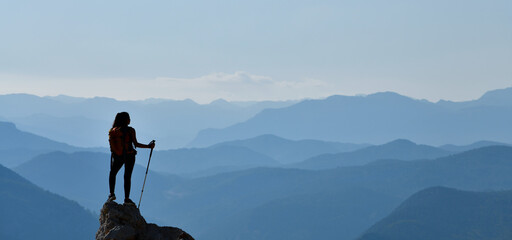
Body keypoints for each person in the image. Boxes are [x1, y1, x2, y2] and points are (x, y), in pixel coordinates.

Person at [108, 112, 155, 205]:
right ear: (126, 120)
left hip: (118, 156)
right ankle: (126, 198)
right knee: (127, 176)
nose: (130, 120)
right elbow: (136, 144)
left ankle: (112, 194)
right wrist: (149, 147)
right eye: (129, 118)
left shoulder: (113, 131)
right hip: (130, 156)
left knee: (113, 173)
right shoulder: (130, 130)